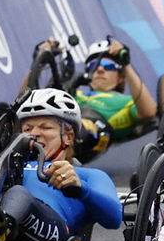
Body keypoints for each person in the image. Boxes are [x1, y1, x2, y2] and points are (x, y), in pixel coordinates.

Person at [0, 88, 124, 241]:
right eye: (27, 128)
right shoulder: (6, 164)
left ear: (68, 136)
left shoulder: (88, 175)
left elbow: (114, 218)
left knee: (18, 194)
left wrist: (81, 189)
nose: (33, 133)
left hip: (51, 233)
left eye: (45, 127)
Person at [24, 37, 157, 159]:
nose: (99, 70)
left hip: (94, 132)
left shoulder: (126, 101)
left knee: (82, 128)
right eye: (93, 65)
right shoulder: (75, 93)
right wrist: (38, 61)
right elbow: (25, 100)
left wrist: (126, 64)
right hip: (60, 122)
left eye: (108, 66)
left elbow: (149, 112)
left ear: (120, 77)